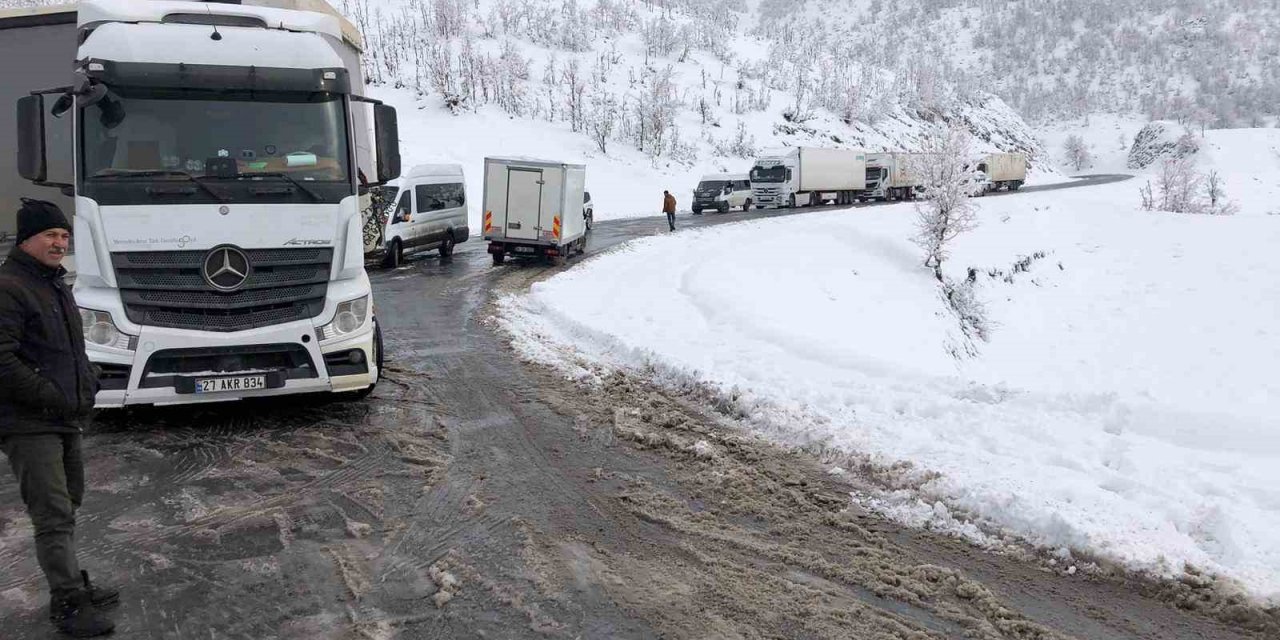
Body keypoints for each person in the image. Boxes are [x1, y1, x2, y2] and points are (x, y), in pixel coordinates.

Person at [0, 199, 117, 638]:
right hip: (29, 423)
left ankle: (72, 579)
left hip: (64, 415)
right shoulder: (10, 286)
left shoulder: (54, 284)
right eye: (50, 235)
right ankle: (67, 602)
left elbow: (72, 348)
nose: (59, 243)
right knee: (51, 512)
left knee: (69, 500)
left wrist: (88, 381)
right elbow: (2, 360)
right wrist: (51, 396)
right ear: (26, 239)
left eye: (64, 236)